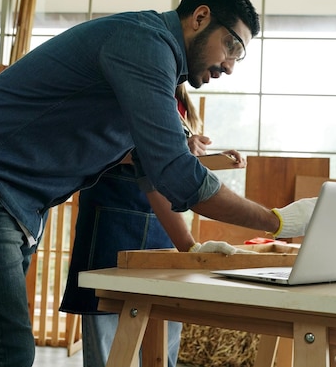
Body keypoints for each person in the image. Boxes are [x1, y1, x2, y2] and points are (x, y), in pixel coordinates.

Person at [0, 0, 316, 367]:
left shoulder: (154, 63)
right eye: (231, 47)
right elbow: (176, 172)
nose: (230, 66)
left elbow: (152, 171)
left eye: (238, 56)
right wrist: (276, 222)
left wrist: (189, 247)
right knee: (7, 354)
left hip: (3, 196)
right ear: (200, 17)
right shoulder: (144, 45)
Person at [60, 84, 244, 367]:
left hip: (164, 220)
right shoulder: (122, 85)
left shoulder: (179, 100)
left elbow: (168, 163)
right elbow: (95, 148)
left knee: (164, 327)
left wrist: (207, 159)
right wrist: (172, 150)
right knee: (109, 332)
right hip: (114, 216)